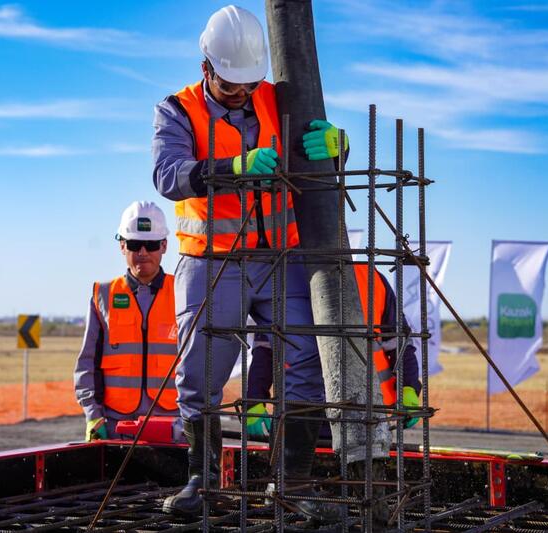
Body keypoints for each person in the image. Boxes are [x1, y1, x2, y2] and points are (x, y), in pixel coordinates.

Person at [152, 5, 349, 520]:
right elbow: (168, 175)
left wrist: (339, 145)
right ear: (206, 68)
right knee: (201, 372)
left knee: (306, 361)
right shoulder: (177, 109)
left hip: (281, 258)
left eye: (250, 83)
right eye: (230, 84)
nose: (242, 92)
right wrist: (234, 168)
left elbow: (318, 148)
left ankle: (293, 484)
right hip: (212, 263)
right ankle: (203, 482)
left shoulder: (276, 98)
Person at [246, 265, 423, 438]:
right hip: (301, 406)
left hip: (365, 409)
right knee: (300, 454)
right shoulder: (283, 275)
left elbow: (399, 343)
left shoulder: (371, 278)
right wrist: (255, 398)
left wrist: (408, 388)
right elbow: (267, 348)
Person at [73, 201, 181, 442]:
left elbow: (200, 364)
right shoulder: (103, 295)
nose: (143, 252)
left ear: (164, 245)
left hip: (173, 426)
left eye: (151, 244)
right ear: (122, 245)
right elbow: (87, 362)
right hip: (116, 426)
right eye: (134, 244)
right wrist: (93, 416)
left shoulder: (183, 293)